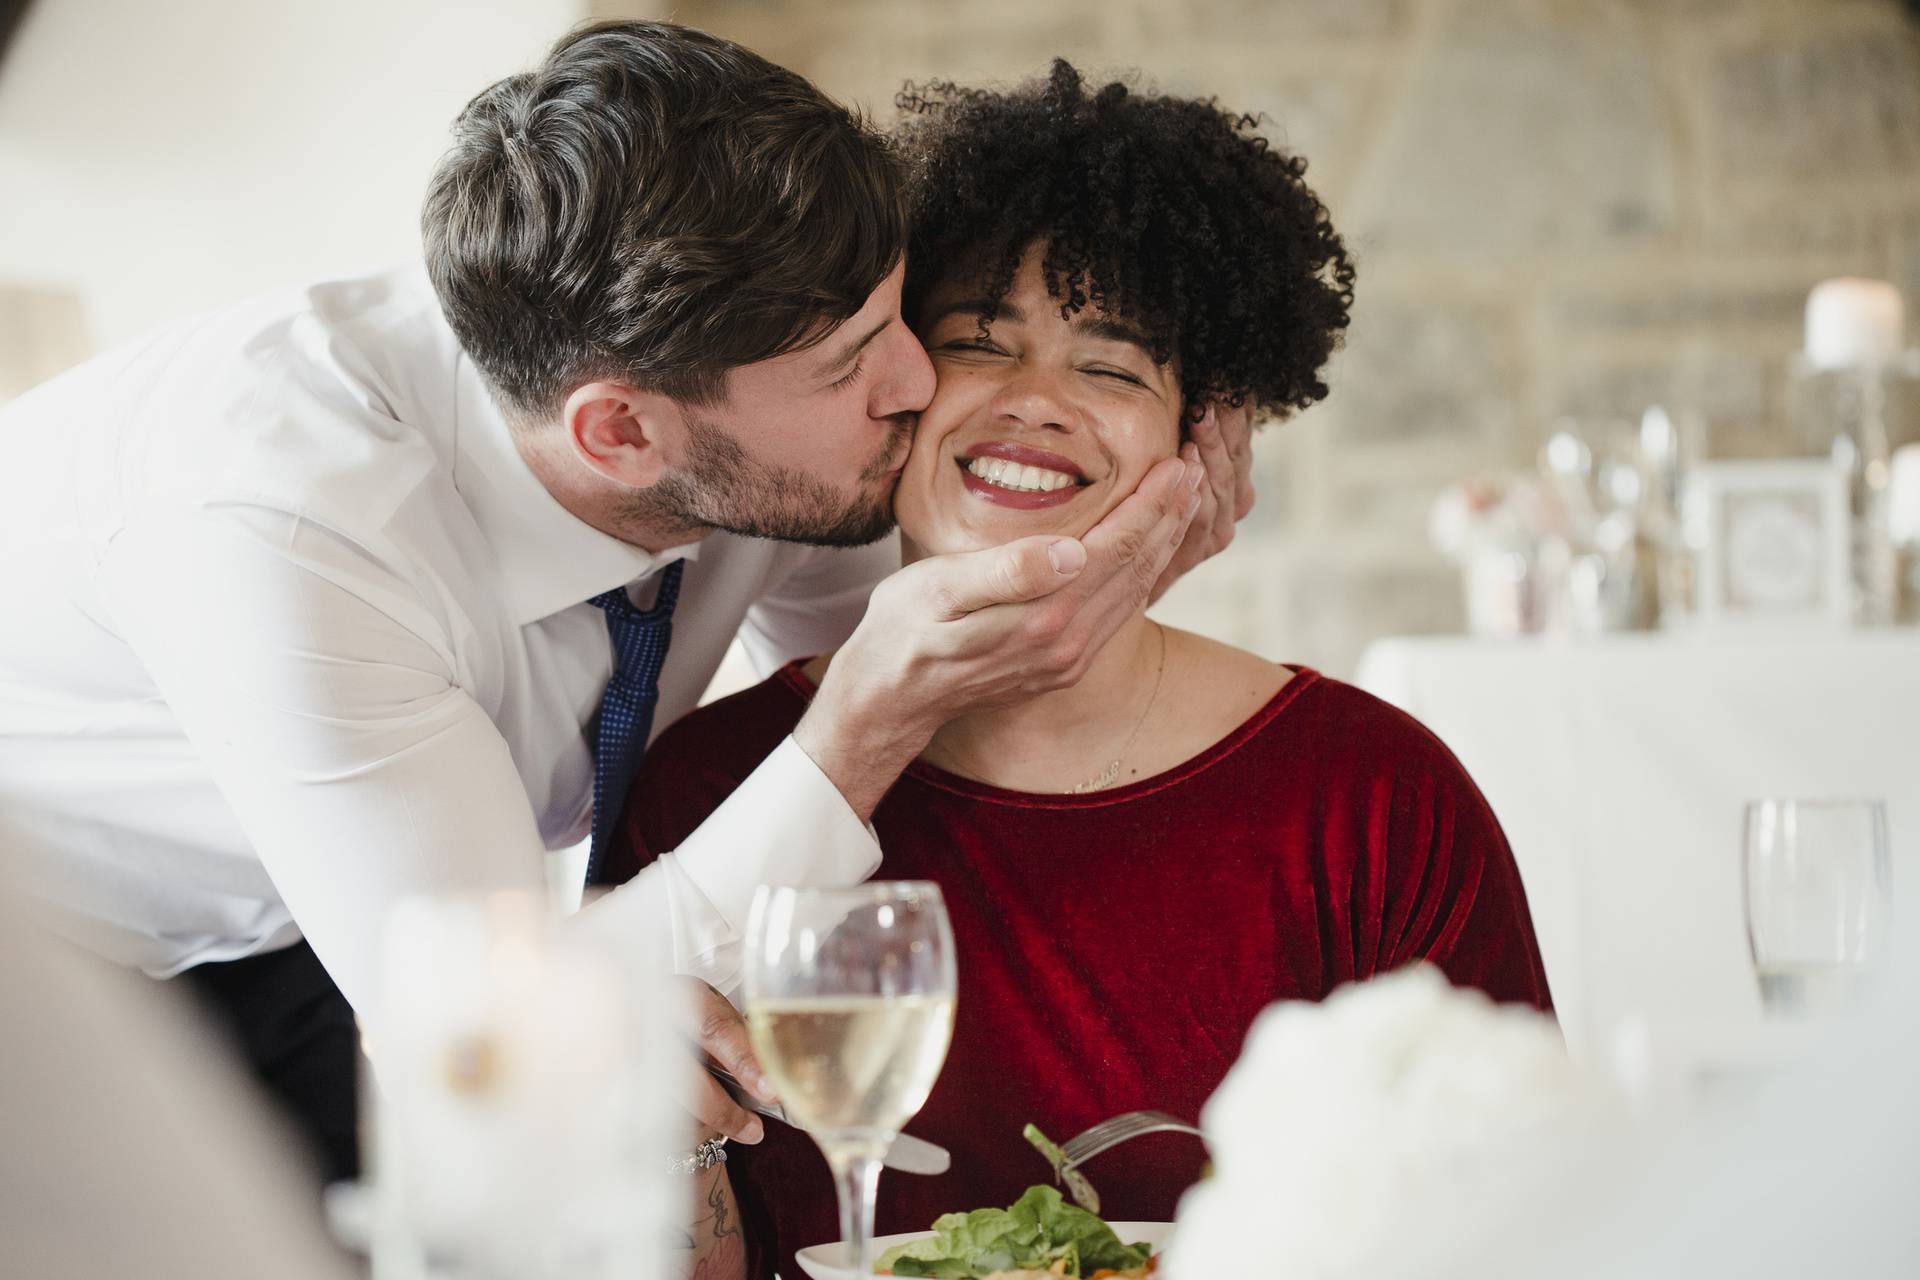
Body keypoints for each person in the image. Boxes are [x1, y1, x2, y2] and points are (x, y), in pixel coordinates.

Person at [0, 22, 1250, 1183]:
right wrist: (859, 715)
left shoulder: (771, 431)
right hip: (54, 982)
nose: (914, 377)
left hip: (338, 933)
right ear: (622, 431)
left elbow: (930, 723)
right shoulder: (284, 533)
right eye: (848, 361)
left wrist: (1093, 579)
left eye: (896, 314)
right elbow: (494, 1045)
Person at [613, 61, 1553, 1280]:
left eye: (1112, 368)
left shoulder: (1372, 798)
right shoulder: (709, 788)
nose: (1035, 404)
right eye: (974, 346)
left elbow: (1528, 1216)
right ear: (892, 394)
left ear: (1199, 438)